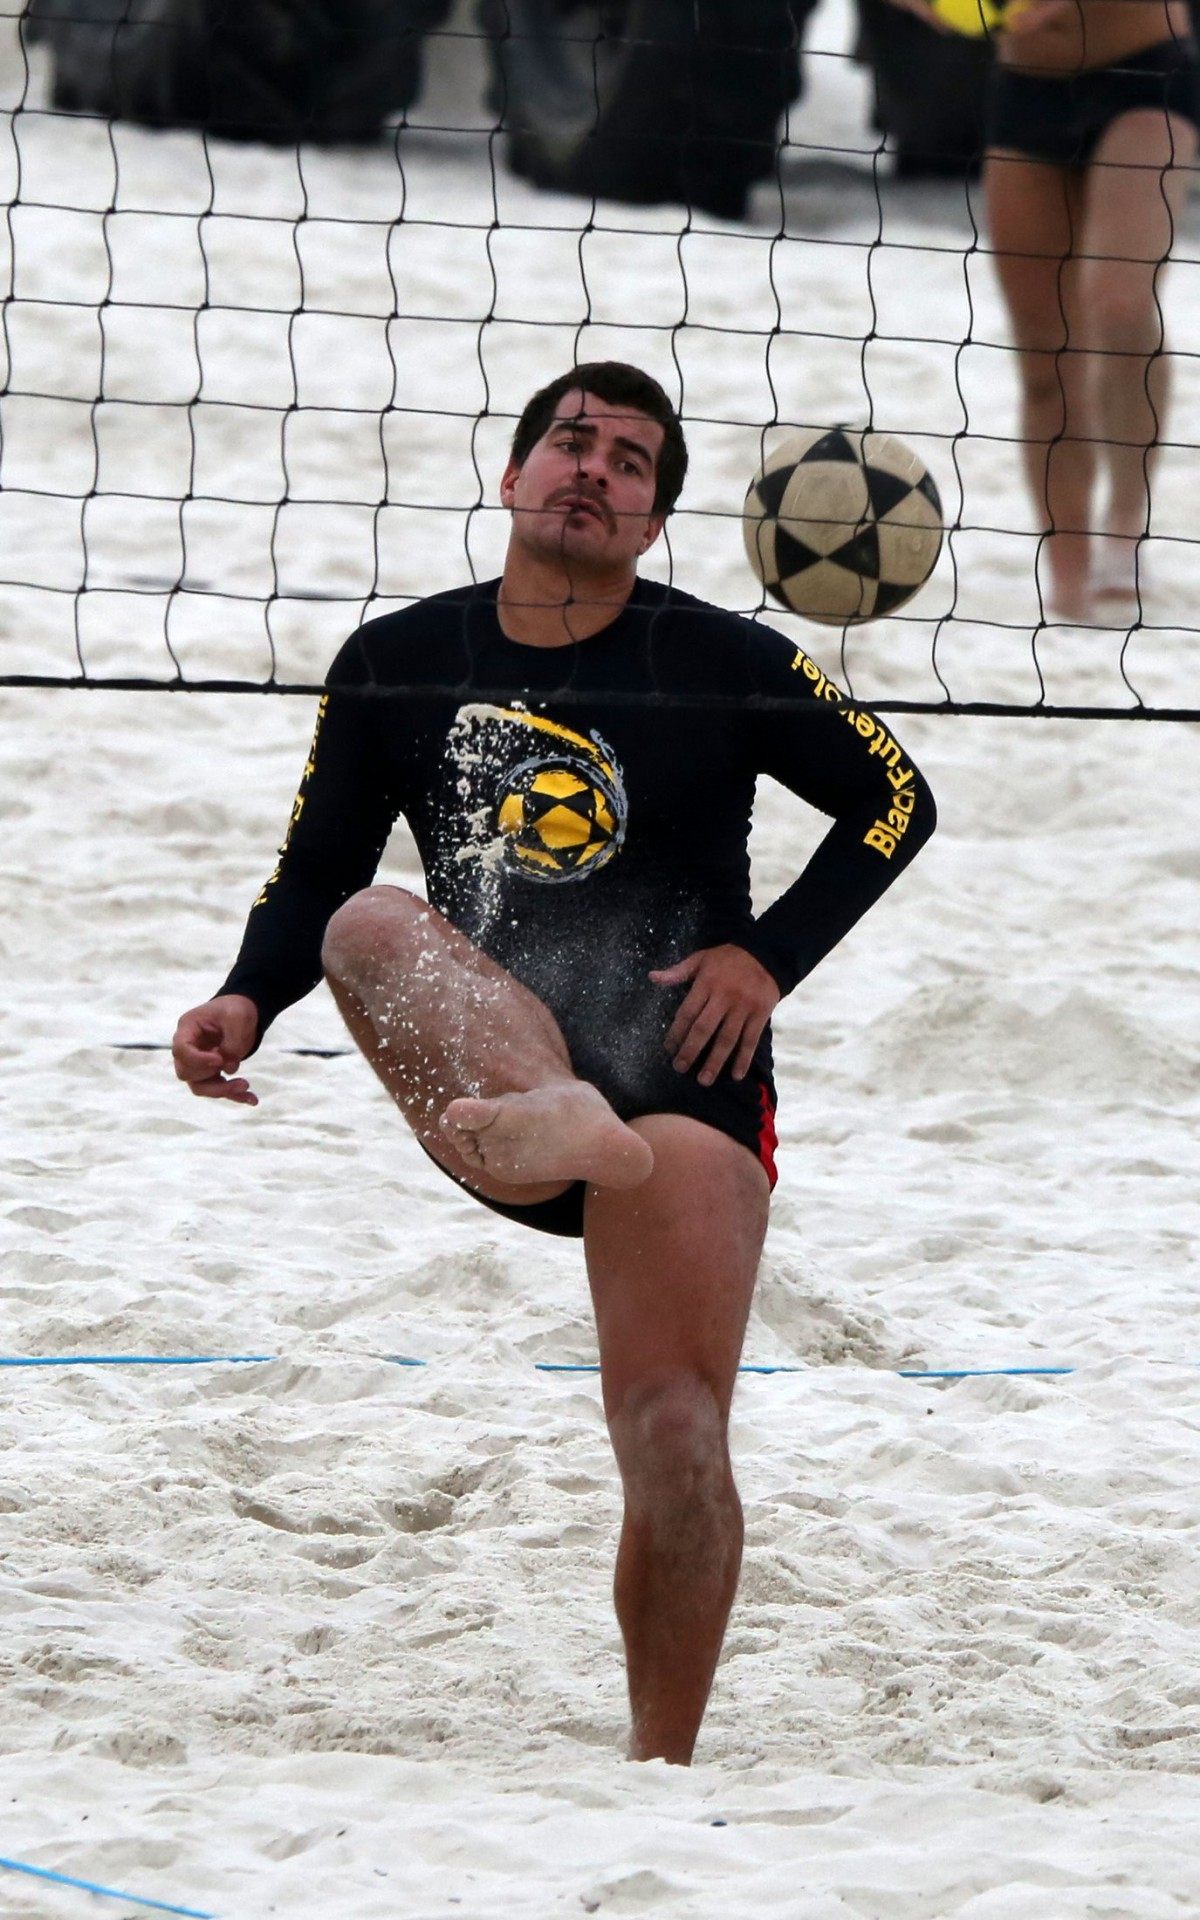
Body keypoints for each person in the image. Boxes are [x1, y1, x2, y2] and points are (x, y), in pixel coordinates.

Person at [172, 361, 936, 1764]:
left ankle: (659, 1766)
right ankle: (560, 1110)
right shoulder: (400, 657)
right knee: (366, 919)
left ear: (652, 524)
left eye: (632, 462)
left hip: (680, 1082)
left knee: (678, 1436)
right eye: (572, 443)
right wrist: (245, 997)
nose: (595, 468)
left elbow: (897, 795)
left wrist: (768, 958)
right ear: (513, 477)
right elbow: (312, 872)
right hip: (497, 1070)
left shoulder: (721, 659)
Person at [895, 0, 1199, 620]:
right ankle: (1067, 588)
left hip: (1144, 79)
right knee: (1045, 364)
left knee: (1118, 306)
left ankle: (1125, 524)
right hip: (1025, 91)